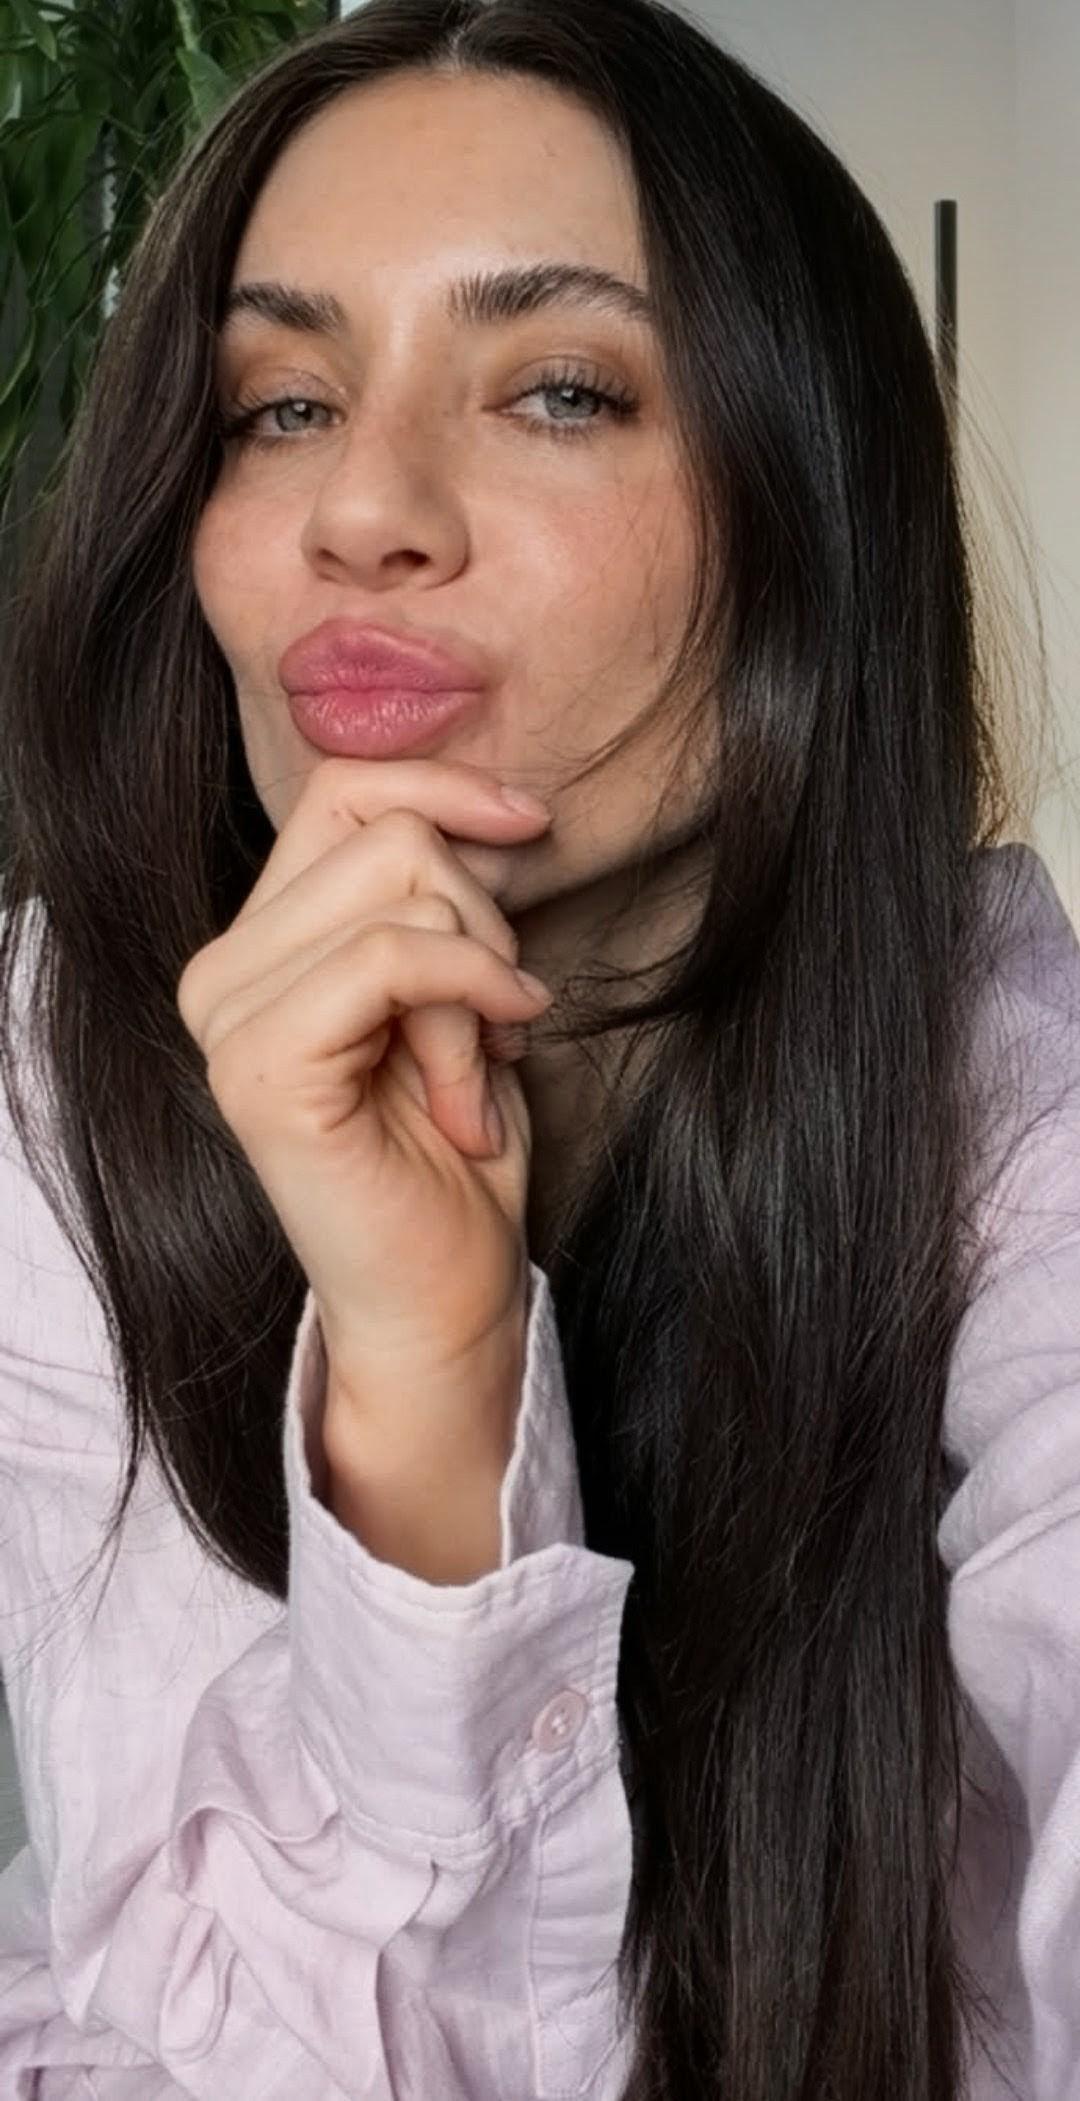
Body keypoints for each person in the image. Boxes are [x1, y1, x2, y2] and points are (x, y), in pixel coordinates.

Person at [0, 0, 1077, 2094]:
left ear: (807, 512)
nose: (364, 509)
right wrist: (424, 1383)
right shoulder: (64, 1060)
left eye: (560, 390)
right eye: (281, 404)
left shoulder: (1001, 1077)